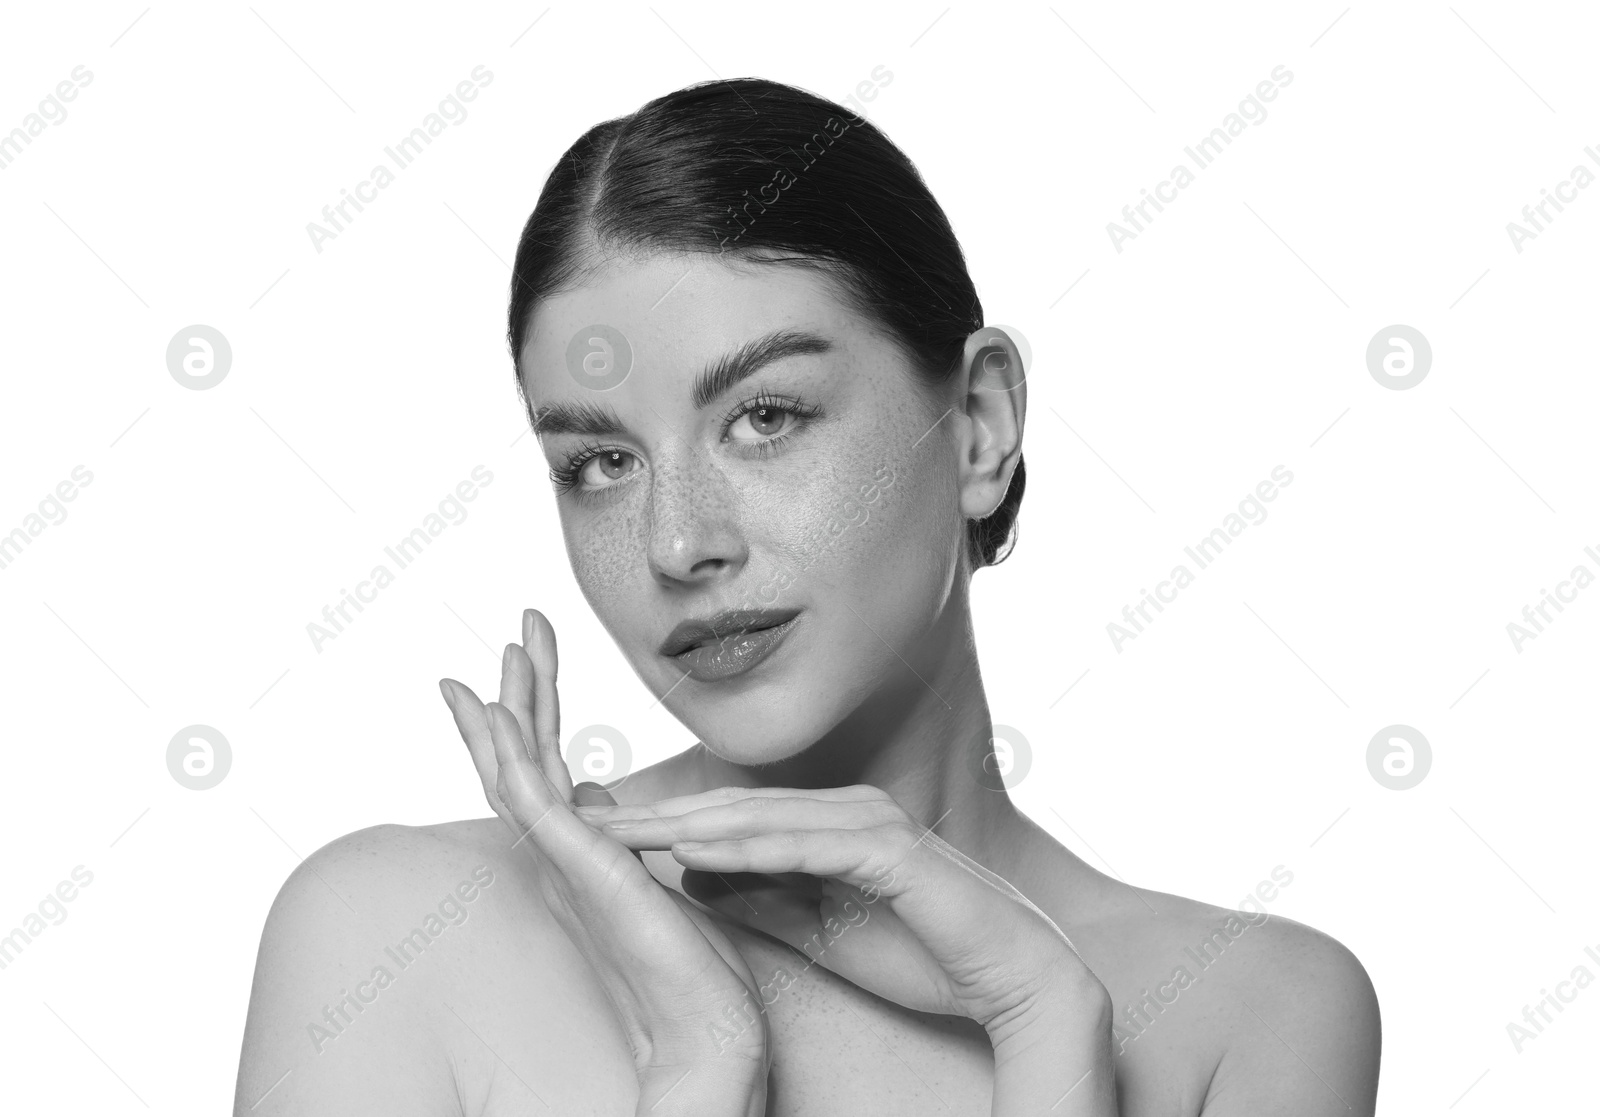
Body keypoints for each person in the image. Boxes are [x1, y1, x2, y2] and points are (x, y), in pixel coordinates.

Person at [234, 77, 1380, 1116]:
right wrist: (703, 1062)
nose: (678, 542)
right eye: (601, 464)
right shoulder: (389, 935)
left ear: (978, 424)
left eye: (765, 418)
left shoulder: (1253, 1014)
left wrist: (1043, 1019)